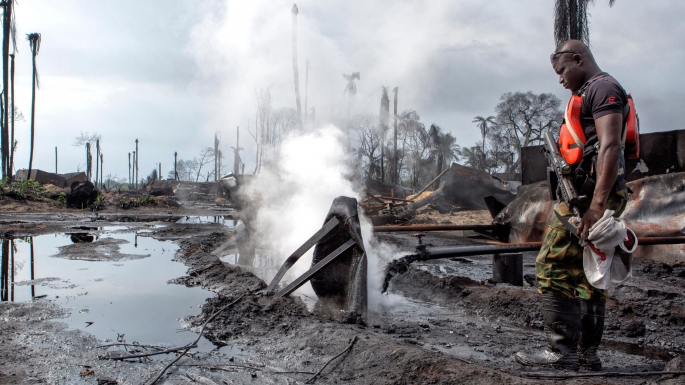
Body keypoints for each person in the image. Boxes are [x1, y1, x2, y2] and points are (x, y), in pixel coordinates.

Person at [514, 39, 630, 371]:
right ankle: (587, 354)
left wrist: (595, 206)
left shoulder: (603, 87)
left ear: (578, 59)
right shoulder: (591, 91)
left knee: (550, 264)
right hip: (586, 196)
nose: (561, 78)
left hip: (589, 199)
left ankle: (560, 352)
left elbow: (609, 147)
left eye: (563, 70)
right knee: (588, 271)